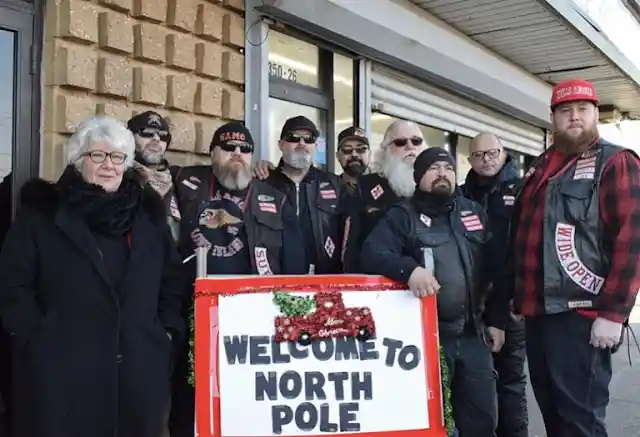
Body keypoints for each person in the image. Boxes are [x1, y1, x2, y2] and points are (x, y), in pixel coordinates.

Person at [0, 116, 185, 437]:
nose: (108, 165)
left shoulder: (147, 215)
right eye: (97, 155)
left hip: (137, 371)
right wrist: (38, 340)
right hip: (62, 374)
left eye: (117, 157)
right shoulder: (43, 215)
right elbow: (14, 287)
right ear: (77, 160)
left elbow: (171, 281)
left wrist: (165, 334)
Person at [506, 79, 640, 437]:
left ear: (596, 114)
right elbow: (524, 235)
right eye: (565, 111)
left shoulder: (615, 162)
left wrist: (613, 315)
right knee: (552, 415)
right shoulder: (540, 167)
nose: (574, 117)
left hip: (582, 316)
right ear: (553, 118)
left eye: (582, 109)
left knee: (580, 422)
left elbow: (633, 241)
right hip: (538, 314)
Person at [169, 121, 307, 437]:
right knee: (189, 411)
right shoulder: (186, 183)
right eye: (228, 147)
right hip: (194, 323)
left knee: (247, 409)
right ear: (212, 153)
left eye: (245, 149)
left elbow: (295, 264)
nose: (237, 154)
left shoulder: (276, 197)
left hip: (254, 326)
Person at [361, 147, 507, 437]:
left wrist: (497, 320)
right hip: (428, 340)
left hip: (474, 336)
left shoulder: (473, 212)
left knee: (483, 420)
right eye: (434, 168)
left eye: (449, 168)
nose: (443, 173)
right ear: (418, 177)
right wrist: (408, 270)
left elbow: (496, 269)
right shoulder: (402, 215)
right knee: (433, 421)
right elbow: (372, 253)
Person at [459, 133, 528, 437]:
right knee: (475, 383)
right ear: (469, 159)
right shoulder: (460, 195)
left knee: (510, 384)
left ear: (504, 153)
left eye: (492, 153)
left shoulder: (525, 191)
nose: (486, 160)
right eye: (478, 155)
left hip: (511, 303)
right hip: (471, 303)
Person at [264, 115, 347, 274]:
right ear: (281, 145)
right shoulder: (264, 184)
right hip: (275, 281)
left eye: (309, 139)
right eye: (294, 138)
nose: (302, 143)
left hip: (325, 282)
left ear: (315, 145)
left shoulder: (335, 184)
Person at [342, 119, 427, 272]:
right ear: (385, 150)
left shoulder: (435, 185)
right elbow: (352, 249)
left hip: (427, 283)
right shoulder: (366, 187)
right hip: (380, 282)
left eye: (416, 141)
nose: (410, 147)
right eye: (400, 142)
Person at [127, 111, 180, 242]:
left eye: (163, 136)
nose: (156, 139)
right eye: (147, 133)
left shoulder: (177, 179)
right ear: (129, 138)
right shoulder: (118, 178)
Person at [335, 126, 371, 196]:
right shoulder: (329, 188)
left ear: (369, 154)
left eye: (361, 149)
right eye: (347, 150)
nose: (354, 154)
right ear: (337, 156)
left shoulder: (386, 186)